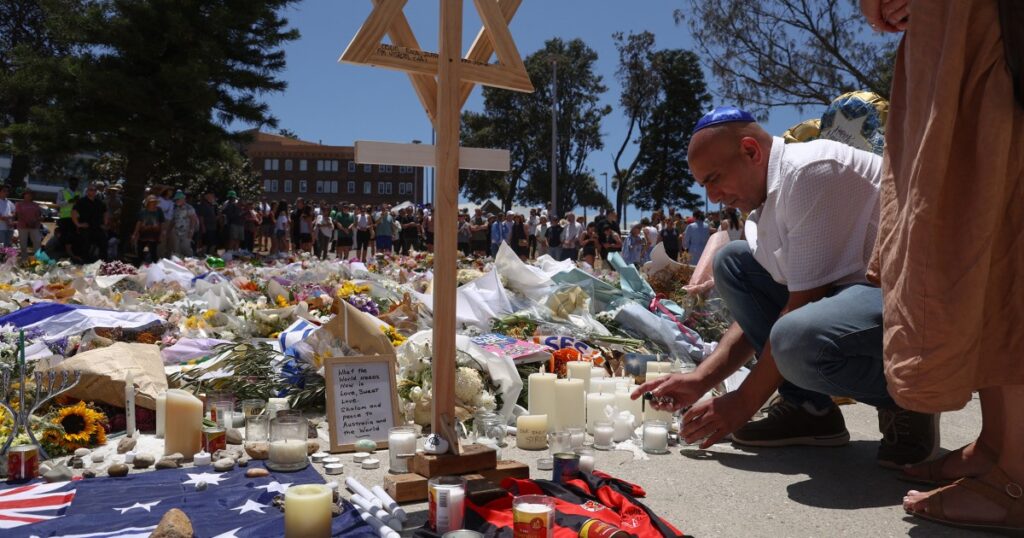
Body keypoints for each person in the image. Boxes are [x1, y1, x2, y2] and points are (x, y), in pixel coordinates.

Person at [634, 106, 936, 470]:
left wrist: (743, 403)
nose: (712, 196)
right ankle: (809, 409)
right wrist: (701, 379)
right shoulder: (768, 200)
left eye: (715, 178)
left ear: (751, 151)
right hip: (859, 295)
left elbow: (799, 308)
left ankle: (908, 398)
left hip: (914, 303)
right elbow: (763, 312)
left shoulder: (809, 171)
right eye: (704, 186)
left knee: (798, 339)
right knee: (733, 263)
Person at [859, 1, 1024, 531]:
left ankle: (1019, 478)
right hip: (957, 27)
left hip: (982, 25)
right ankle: (999, 445)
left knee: (1002, 212)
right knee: (979, 230)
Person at [71, 183, 107, 262]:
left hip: (97, 227)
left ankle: (102, 262)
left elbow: (105, 213)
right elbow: (73, 213)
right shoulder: (81, 201)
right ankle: (83, 262)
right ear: (87, 191)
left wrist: (105, 224)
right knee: (85, 244)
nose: (93, 192)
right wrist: (78, 224)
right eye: (91, 190)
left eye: (94, 190)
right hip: (86, 227)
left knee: (104, 242)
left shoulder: (100, 202)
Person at [133, 195, 164, 264]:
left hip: (154, 235)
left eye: (154, 202)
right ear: (148, 203)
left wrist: (161, 234)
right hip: (143, 235)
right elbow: (139, 223)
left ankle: (155, 267)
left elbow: (161, 223)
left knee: (153, 252)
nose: (153, 204)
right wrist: (135, 233)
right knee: (140, 251)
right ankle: (140, 265)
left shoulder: (159, 211)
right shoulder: (142, 212)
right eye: (151, 202)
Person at [14, 189, 43, 258]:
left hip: (34, 226)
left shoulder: (36, 205)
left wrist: (36, 221)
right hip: (22, 226)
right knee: (23, 243)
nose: (29, 195)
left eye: (31, 194)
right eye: (27, 194)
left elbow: (39, 215)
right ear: (24, 195)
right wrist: (27, 222)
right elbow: (19, 215)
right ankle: (24, 258)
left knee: (37, 242)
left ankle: (37, 258)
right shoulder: (19, 204)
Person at [169, 191, 198, 257]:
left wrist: (191, 230)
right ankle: (178, 262)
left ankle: (190, 261)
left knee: (186, 248)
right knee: (176, 249)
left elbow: (193, 219)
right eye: (175, 200)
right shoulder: (176, 208)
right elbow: (173, 220)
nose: (176, 201)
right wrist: (169, 230)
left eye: (178, 199)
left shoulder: (189, 208)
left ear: (183, 199)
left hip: (186, 232)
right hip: (176, 232)